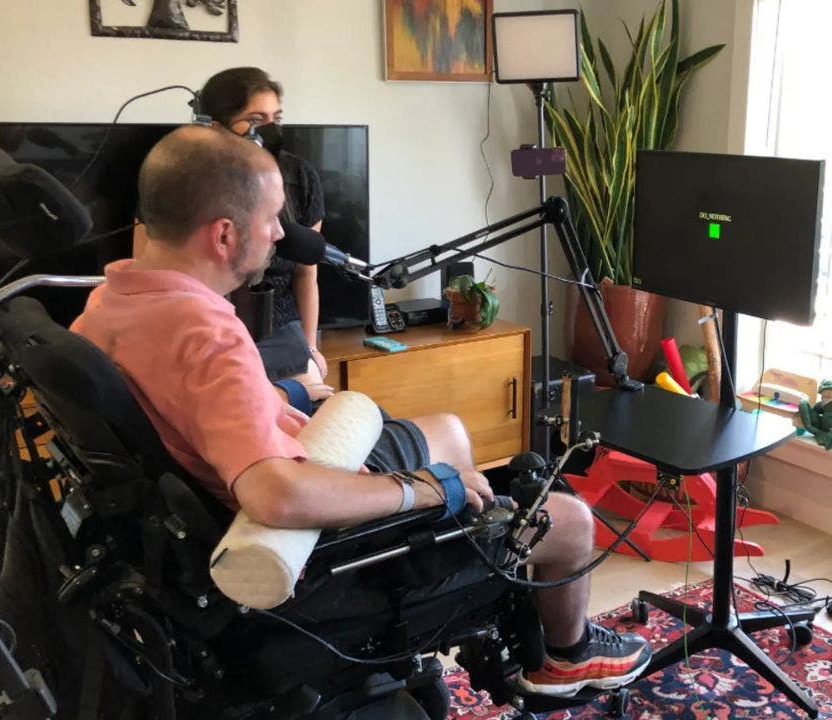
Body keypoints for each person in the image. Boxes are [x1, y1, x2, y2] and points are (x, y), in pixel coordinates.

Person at [75, 126, 651, 698]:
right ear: (224, 234)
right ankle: (563, 658)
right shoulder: (206, 334)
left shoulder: (112, 300)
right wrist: (426, 490)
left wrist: (283, 395)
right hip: (315, 544)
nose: (281, 233)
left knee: (449, 431)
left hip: (230, 502)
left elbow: (190, 407)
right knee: (570, 520)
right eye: (273, 217)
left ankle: (480, 597)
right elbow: (275, 496)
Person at [133, 67, 329, 390]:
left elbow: (306, 274)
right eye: (254, 120)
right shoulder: (175, 179)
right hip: (200, 332)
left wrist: (311, 348)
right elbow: (147, 274)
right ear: (213, 126)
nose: (269, 131)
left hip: (281, 335)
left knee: (321, 403)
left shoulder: (300, 177)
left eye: (276, 119)